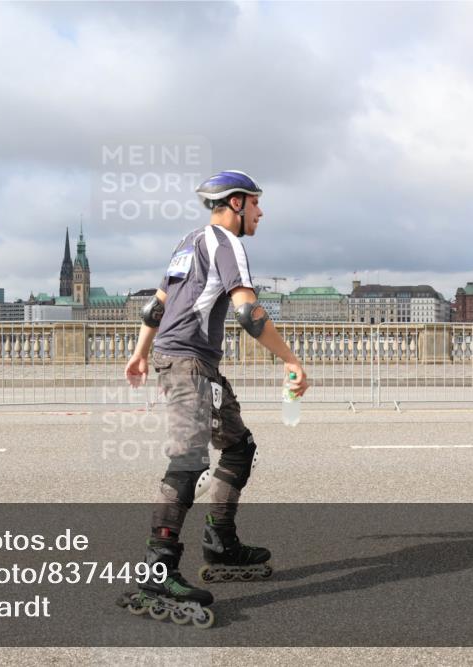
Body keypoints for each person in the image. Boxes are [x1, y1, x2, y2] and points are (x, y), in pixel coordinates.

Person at [117, 170, 309, 628]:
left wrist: (140, 354)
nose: (262, 212)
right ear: (236, 203)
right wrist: (291, 361)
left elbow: (155, 305)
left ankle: (221, 539)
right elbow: (246, 310)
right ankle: (158, 569)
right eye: (257, 204)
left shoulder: (190, 240)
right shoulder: (227, 243)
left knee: (238, 446)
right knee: (187, 459)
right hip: (189, 365)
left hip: (187, 361)